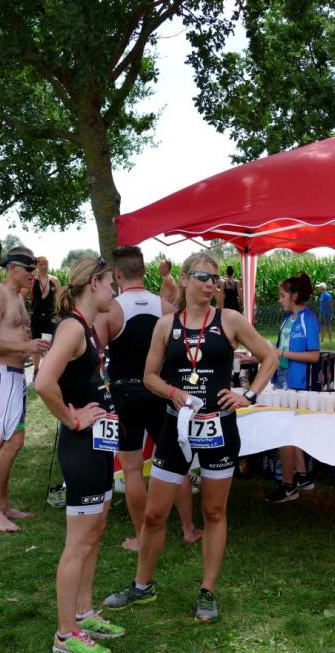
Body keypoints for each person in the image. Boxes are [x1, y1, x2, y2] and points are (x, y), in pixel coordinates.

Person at [104, 252, 277, 623]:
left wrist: (248, 395)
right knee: (154, 513)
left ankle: (208, 590)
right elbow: (149, 376)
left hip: (218, 428)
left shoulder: (229, 319)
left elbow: (269, 357)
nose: (210, 284)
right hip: (176, 428)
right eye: (202, 277)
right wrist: (173, 393)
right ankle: (142, 585)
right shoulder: (165, 325)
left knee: (213, 511)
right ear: (184, 279)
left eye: (215, 279)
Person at [36, 256, 125, 653]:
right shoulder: (72, 328)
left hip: (100, 444)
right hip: (82, 446)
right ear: (93, 283)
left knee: (96, 530)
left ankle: (84, 612)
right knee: (78, 542)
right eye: (110, 284)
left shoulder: (87, 326)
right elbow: (43, 382)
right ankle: (64, 633)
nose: (114, 292)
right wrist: (72, 418)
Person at [96, 245, 203, 551]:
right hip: (161, 392)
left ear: (117, 275)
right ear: (144, 271)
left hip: (126, 395)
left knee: (132, 469)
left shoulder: (111, 311)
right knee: (175, 464)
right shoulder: (166, 308)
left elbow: (96, 357)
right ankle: (188, 529)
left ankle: (143, 538)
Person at [0, 246, 51, 533]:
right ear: (13, 268)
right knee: (11, 442)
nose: (34, 273)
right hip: (1, 374)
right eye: (30, 268)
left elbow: (17, 335)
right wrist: (24, 345)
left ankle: (3, 505)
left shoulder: (18, 296)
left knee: (6, 441)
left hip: (14, 375)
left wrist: (34, 348)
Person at [268, 271, 321, 503]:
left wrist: (282, 353)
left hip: (298, 384)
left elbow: (314, 356)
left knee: (285, 431)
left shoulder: (308, 319)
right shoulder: (287, 320)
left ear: (295, 296)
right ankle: (303, 477)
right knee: (290, 431)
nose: (279, 300)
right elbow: (279, 352)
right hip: (282, 379)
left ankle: (288, 486)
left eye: (282, 295)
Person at [29, 256, 61, 380]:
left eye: (45, 264)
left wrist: (60, 314)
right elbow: (22, 296)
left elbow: (59, 298)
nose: (43, 266)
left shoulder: (54, 280)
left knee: (48, 344)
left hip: (50, 317)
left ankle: (47, 370)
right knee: (37, 345)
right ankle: (36, 370)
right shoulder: (33, 280)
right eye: (41, 264)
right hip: (36, 316)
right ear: (37, 266)